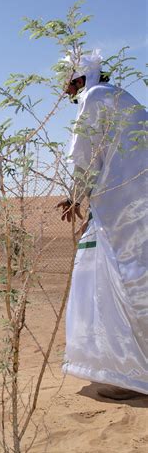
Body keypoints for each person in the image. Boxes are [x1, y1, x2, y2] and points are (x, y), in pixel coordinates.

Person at [59, 50, 147, 401]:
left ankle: (132, 375)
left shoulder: (94, 98)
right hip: (133, 204)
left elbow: (86, 153)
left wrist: (75, 196)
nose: (67, 94)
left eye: (68, 85)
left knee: (120, 281)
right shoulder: (121, 97)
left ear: (78, 80)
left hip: (125, 209)